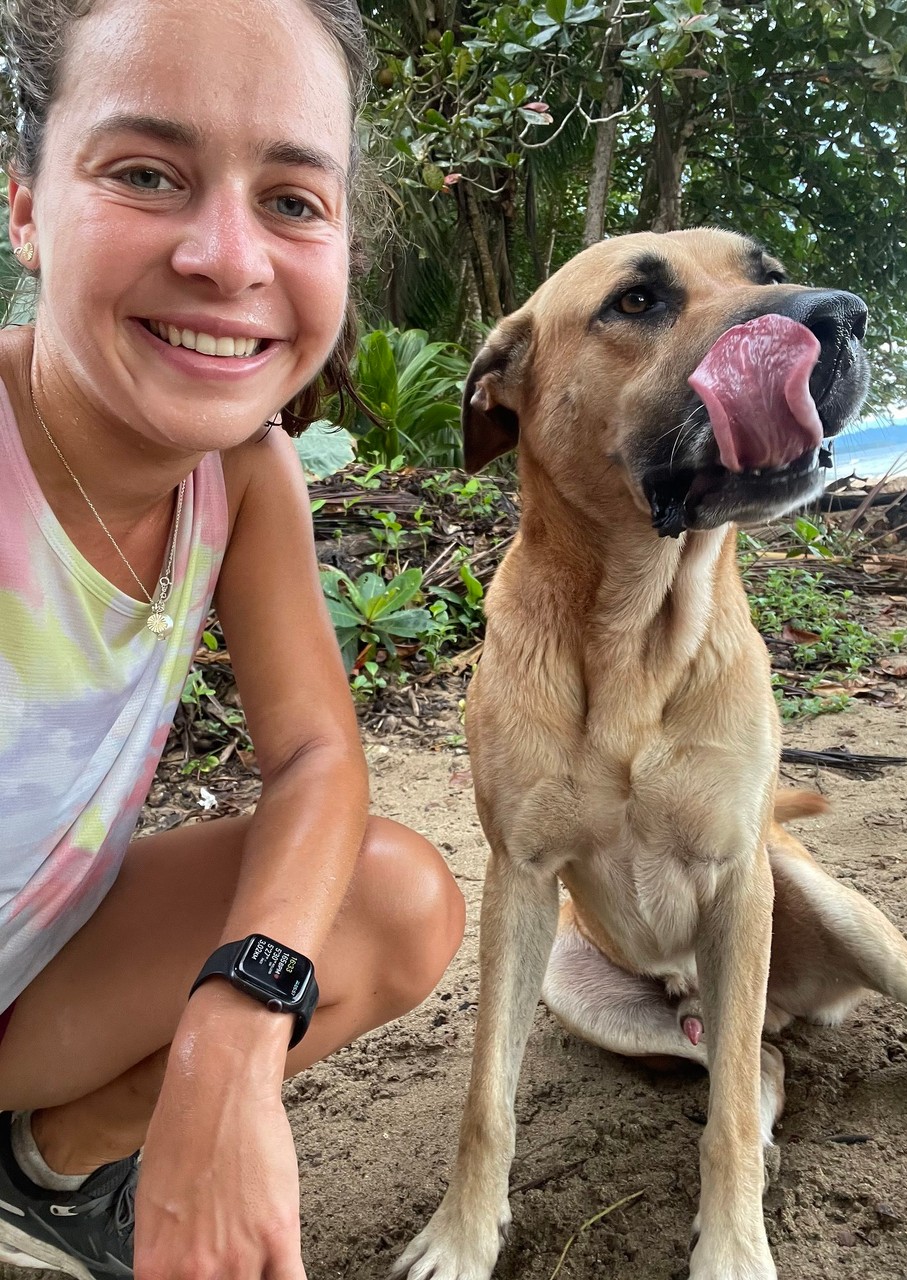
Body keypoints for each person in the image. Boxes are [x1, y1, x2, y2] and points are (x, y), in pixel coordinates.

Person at [0, 0, 466, 1276]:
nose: (227, 255)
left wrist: (232, 1026)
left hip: (41, 969)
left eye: (293, 201)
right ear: (27, 208)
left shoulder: (246, 477)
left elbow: (316, 754)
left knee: (393, 900)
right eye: (146, 173)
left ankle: (47, 1167)